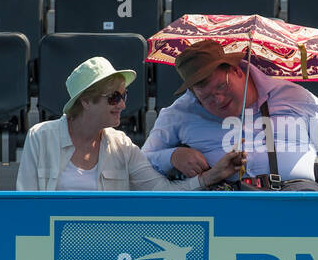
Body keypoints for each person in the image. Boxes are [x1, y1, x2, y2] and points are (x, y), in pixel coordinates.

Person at [142, 40, 318, 191]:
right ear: (193, 93)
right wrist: (172, 156)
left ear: (237, 70)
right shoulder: (180, 112)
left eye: (221, 87)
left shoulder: (294, 95)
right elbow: (139, 164)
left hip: (299, 200)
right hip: (223, 208)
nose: (218, 100)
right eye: (207, 98)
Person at [16, 56, 244, 191]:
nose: (123, 105)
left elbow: (161, 192)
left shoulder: (121, 145)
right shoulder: (41, 136)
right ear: (86, 101)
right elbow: (24, 205)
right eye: (114, 97)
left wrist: (211, 176)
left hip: (109, 248)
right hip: (51, 247)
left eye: (124, 96)